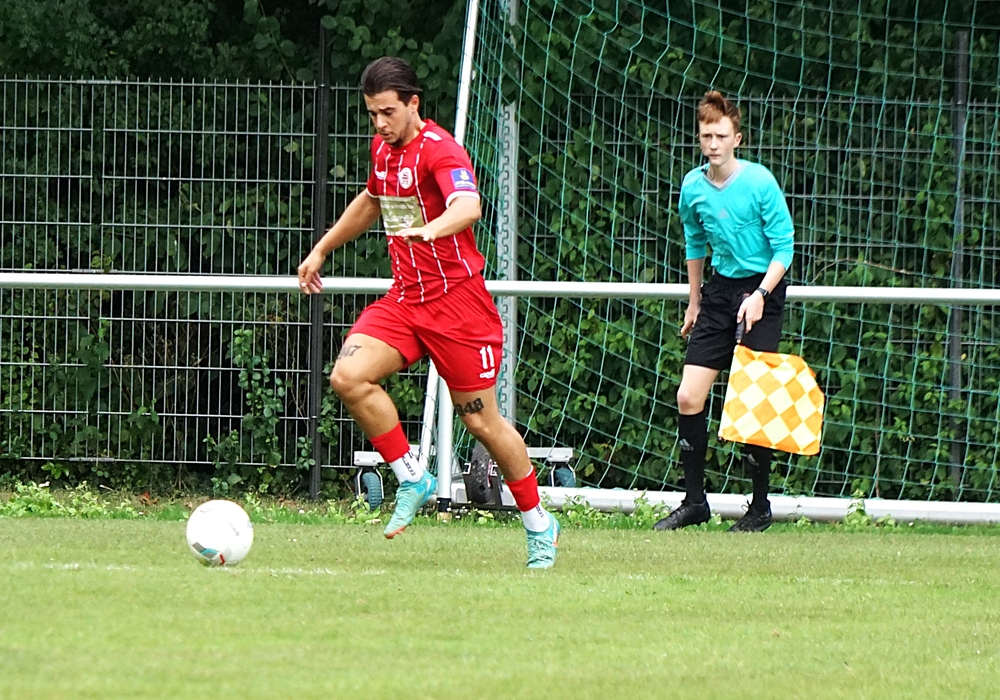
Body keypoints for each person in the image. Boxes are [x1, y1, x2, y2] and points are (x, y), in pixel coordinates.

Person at [297, 57, 559, 568]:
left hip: (458, 305)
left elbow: (469, 206)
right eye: (372, 113)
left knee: (481, 423)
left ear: (413, 103)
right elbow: (371, 200)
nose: (379, 123)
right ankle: (412, 477)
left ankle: (538, 524)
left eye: (388, 112)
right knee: (348, 377)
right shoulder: (382, 149)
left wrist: (431, 229)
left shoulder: (441, 150)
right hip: (405, 300)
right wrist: (322, 248)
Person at [654, 90, 795, 533]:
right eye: (705, 136)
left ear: (737, 138)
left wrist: (761, 294)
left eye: (720, 136)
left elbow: (785, 248)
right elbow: (695, 243)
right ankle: (695, 503)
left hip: (763, 290)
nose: (712, 144)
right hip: (719, 293)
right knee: (688, 396)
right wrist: (695, 301)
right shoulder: (692, 187)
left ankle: (760, 508)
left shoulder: (760, 183)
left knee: (752, 401)